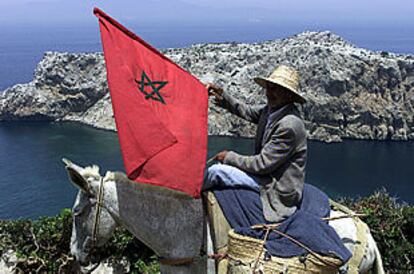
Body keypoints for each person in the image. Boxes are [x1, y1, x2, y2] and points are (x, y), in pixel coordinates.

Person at [204, 65, 307, 223]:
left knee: (217, 172)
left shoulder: (289, 125)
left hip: (274, 185)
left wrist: (228, 157)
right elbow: (248, 111)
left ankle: (191, 196)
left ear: (289, 95)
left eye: (276, 89)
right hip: (266, 175)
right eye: (269, 88)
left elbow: (261, 164)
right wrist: (222, 95)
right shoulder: (273, 110)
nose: (269, 93)